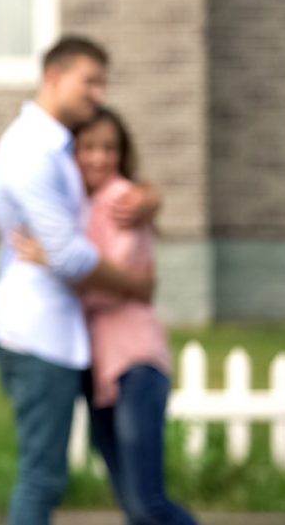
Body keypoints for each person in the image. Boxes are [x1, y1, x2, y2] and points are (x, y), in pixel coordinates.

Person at [0, 35, 159, 525]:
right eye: (90, 81)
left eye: (104, 82)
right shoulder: (31, 149)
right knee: (42, 478)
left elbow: (103, 202)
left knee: (61, 476)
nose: (99, 93)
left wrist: (149, 197)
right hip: (36, 332)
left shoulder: (59, 146)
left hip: (62, 332)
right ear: (54, 78)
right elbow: (70, 255)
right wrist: (137, 286)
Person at [15, 107, 197, 525]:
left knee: (148, 503)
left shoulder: (122, 200)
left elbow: (117, 280)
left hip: (135, 362)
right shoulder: (80, 203)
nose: (99, 157)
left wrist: (53, 260)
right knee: (134, 506)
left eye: (110, 148)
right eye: (88, 147)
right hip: (100, 369)